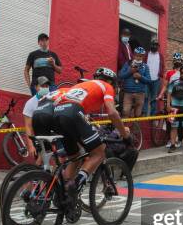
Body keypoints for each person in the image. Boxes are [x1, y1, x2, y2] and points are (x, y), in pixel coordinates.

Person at [52, 68, 131, 210]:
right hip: (73, 112)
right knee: (99, 152)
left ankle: (61, 193)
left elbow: (82, 117)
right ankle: (75, 184)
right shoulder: (106, 86)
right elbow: (112, 113)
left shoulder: (83, 86)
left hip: (57, 114)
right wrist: (124, 135)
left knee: (75, 155)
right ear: (111, 82)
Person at [23, 76, 57, 162]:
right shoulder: (30, 103)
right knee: (40, 161)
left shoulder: (53, 99)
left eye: (47, 86)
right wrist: (30, 146)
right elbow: (28, 126)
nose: (45, 88)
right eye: (42, 86)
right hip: (39, 137)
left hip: (54, 134)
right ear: (36, 87)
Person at [166, 64, 183, 154]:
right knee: (173, 127)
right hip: (174, 107)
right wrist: (168, 105)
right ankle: (173, 145)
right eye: (182, 72)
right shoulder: (174, 82)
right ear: (180, 73)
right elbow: (169, 93)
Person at [119, 47, 152, 118]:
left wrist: (140, 77)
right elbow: (121, 75)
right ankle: (125, 128)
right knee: (125, 112)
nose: (138, 57)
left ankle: (135, 128)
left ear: (143, 56)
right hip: (128, 92)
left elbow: (149, 81)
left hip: (140, 93)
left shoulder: (145, 67)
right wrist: (130, 72)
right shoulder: (127, 64)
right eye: (136, 55)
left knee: (137, 114)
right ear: (133, 55)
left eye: (140, 56)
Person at [144, 37, 165, 116]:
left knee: (154, 98)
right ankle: (144, 114)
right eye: (153, 45)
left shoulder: (160, 56)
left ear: (158, 46)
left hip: (156, 80)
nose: (154, 46)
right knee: (145, 97)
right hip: (146, 80)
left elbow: (162, 66)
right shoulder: (146, 54)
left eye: (156, 45)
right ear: (150, 45)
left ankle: (152, 115)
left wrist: (161, 75)